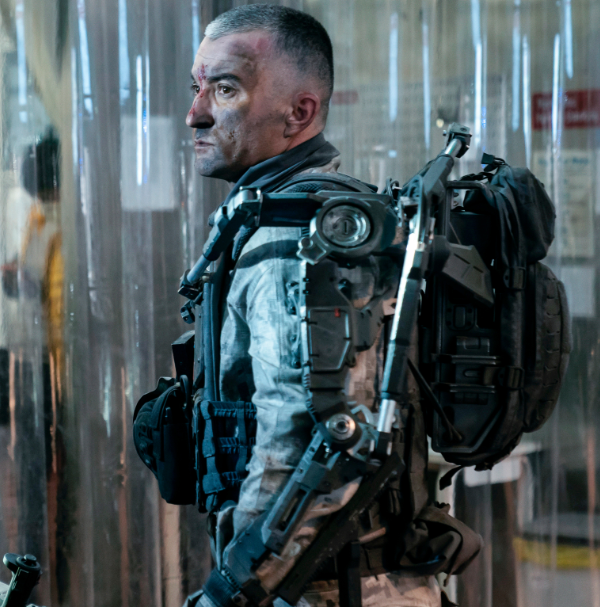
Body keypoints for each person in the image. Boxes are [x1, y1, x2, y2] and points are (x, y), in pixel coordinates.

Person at [162, 6, 467, 607]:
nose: (195, 113)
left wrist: (234, 590)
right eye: (197, 87)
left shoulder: (292, 241)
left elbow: (314, 440)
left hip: (320, 586)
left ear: (299, 113)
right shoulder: (286, 220)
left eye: (225, 89)